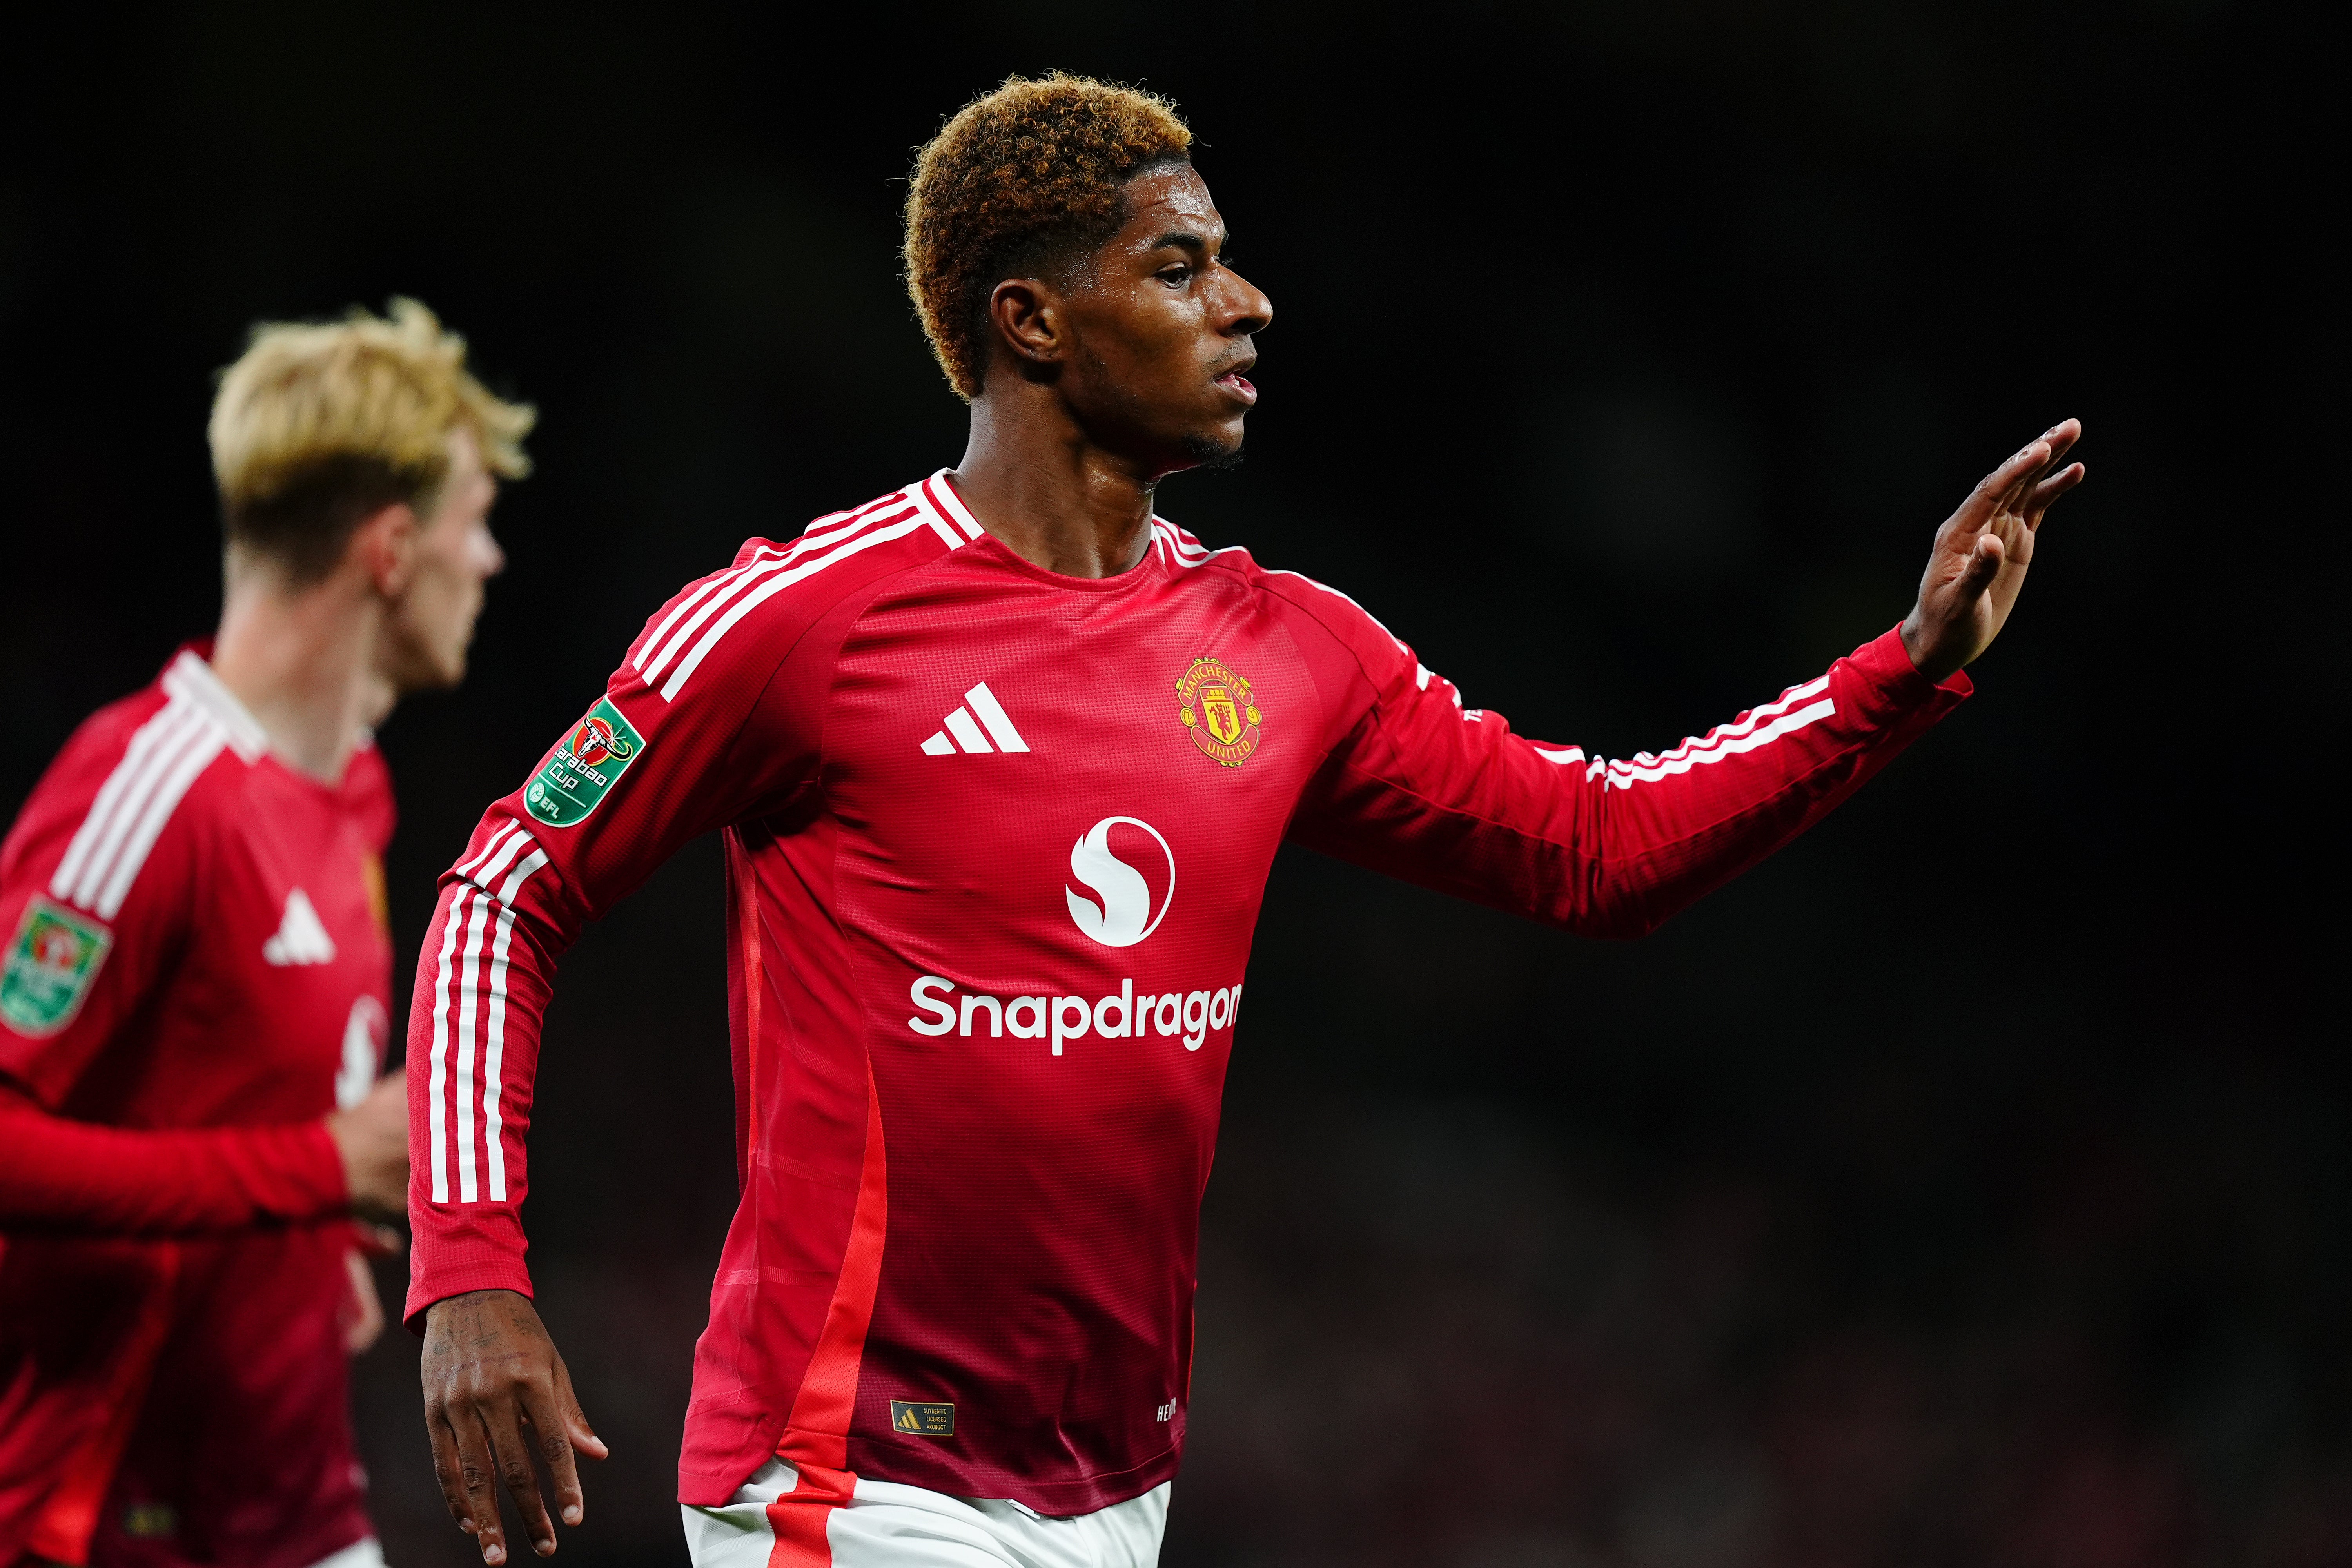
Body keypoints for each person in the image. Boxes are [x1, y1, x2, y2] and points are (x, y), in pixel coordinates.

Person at [404, 74, 2085, 1568]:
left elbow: (1595, 848)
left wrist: (1899, 672)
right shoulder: (806, 622)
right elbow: (505, 894)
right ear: (1034, 323)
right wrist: (472, 1268)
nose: (1251, 305)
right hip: (851, 1480)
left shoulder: (1287, 649)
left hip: (1115, 1482)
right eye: (1183, 266)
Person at [0, 299, 529, 1568]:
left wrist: (320, 1237)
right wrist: (313, 1172)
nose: (495, 559)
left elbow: (224, 1088)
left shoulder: (355, 786)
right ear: (393, 550)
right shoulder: (154, 790)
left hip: (293, 1508)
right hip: (109, 1518)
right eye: (476, 523)